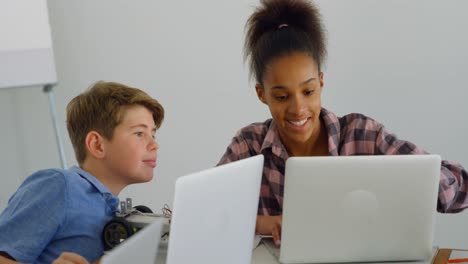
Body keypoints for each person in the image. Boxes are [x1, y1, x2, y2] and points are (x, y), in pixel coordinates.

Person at [217, 0, 468, 246]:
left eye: (308, 91)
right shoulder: (248, 146)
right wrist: (266, 223)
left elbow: (455, 185)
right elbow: (211, 213)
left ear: (321, 82)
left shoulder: (363, 135)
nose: (297, 109)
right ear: (262, 94)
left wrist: (411, 184)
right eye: (282, 97)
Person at [0, 81, 164, 264]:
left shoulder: (115, 211)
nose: (154, 144)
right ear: (97, 145)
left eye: (153, 134)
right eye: (140, 133)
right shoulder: (60, 186)